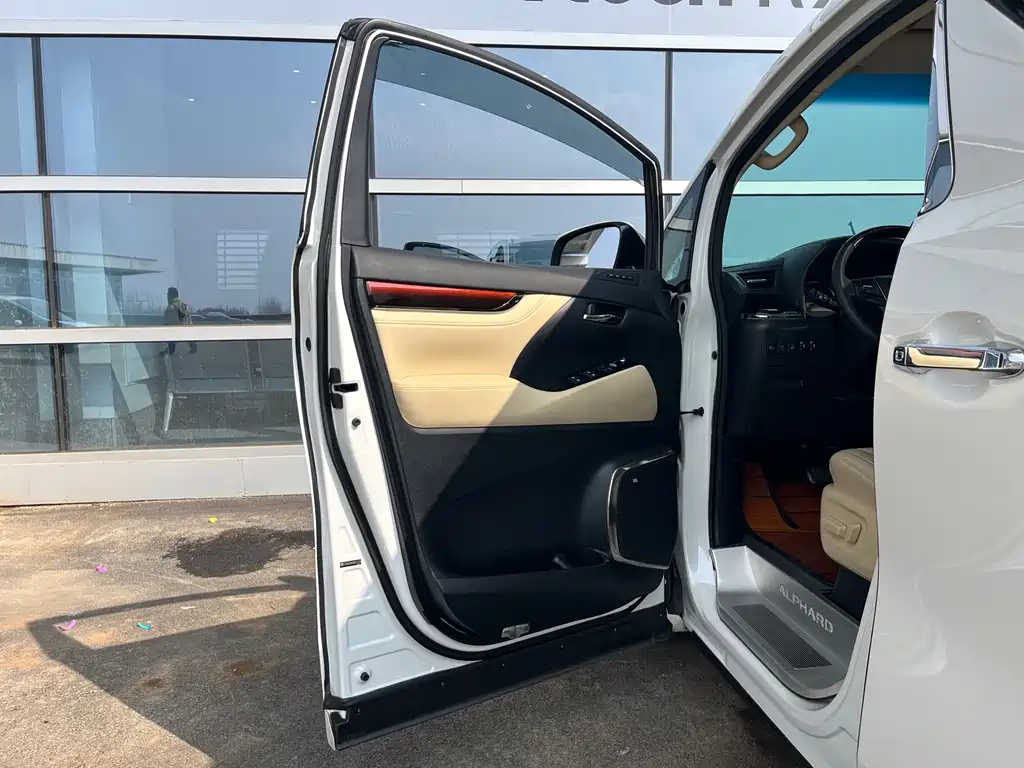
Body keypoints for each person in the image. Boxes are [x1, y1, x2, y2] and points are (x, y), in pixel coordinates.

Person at [162, 287, 197, 355]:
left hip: (176, 331)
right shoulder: (183, 305)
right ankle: (192, 345)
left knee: (171, 334)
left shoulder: (170, 308)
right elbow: (188, 319)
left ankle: (170, 349)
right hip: (186, 329)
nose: (167, 297)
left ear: (170, 296)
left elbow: (169, 325)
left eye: (168, 295)